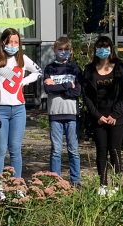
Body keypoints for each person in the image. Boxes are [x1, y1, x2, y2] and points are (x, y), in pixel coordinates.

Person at [0, 28, 42, 179]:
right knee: (0, 149)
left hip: (19, 109)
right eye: (10, 41)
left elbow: (38, 72)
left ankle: (17, 185)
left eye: (16, 42)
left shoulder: (23, 59)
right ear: (3, 42)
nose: (13, 45)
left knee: (15, 149)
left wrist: (23, 82)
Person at [82, 36, 123, 196]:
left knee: (115, 150)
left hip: (117, 117)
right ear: (95, 50)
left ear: (111, 49)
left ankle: (116, 185)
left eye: (106, 47)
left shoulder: (121, 67)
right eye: (100, 47)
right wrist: (97, 116)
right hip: (99, 118)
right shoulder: (89, 70)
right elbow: (86, 96)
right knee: (101, 151)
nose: (103, 50)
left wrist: (115, 114)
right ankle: (102, 184)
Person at [43, 36, 83, 185]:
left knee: (73, 150)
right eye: (60, 49)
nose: (63, 52)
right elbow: (48, 89)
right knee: (56, 151)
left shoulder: (75, 68)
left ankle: (76, 181)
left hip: (71, 113)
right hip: (55, 114)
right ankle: (56, 182)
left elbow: (78, 91)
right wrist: (67, 85)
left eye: (66, 49)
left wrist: (58, 86)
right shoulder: (49, 68)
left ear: (71, 51)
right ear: (54, 50)